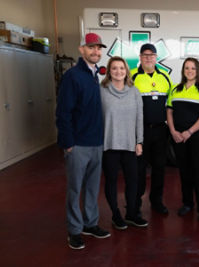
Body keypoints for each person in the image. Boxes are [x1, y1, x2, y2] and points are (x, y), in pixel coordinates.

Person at [56, 33, 111, 250]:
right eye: (91, 47)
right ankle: (75, 230)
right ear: (81, 49)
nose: (95, 51)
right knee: (75, 189)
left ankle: (90, 224)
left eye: (98, 48)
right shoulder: (73, 76)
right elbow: (63, 113)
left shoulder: (94, 74)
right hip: (78, 144)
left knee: (92, 188)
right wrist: (68, 143)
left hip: (96, 143)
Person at [166, 58, 199, 222]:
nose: (190, 71)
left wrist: (189, 132)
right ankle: (187, 203)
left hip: (198, 136)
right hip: (178, 137)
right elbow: (169, 112)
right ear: (183, 70)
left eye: (193, 68)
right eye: (187, 68)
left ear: (198, 70)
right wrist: (173, 131)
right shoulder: (175, 89)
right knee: (184, 171)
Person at [130, 43, 173, 225]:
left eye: (152, 55)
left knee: (159, 168)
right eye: (145, 55)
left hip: (160, 131)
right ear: (140, 57)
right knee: (138, 170)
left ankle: (156, 201)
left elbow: (171, 105)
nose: (148, 58)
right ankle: (135, 205)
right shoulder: (131, 76)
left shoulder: (165, 78)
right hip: (139, 132)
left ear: (156, 58)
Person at [100, 56, 143, 230]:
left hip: (129, 144)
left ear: (127, 71)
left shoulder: (134, 91)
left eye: (122, 68)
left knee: (133, 180)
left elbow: (140, 117)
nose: (119, 71)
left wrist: (139, 141)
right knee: (110, 181)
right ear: (109, 71)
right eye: (115, 68)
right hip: (109, 144)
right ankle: (116, 214)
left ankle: (131, 214)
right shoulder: (101, 91)